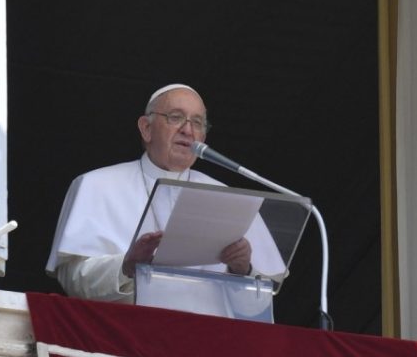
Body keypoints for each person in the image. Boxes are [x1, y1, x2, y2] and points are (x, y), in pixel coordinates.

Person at [46, 84, 285, 305]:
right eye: (176, 117)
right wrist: (127, 266)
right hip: (124, 330)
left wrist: (242, 269)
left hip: (206, 332)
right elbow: (73, 279)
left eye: (197, 122)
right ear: (146, 128)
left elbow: (263, 298)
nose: (188, 130)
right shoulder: (96, 185)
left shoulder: (228, 198)